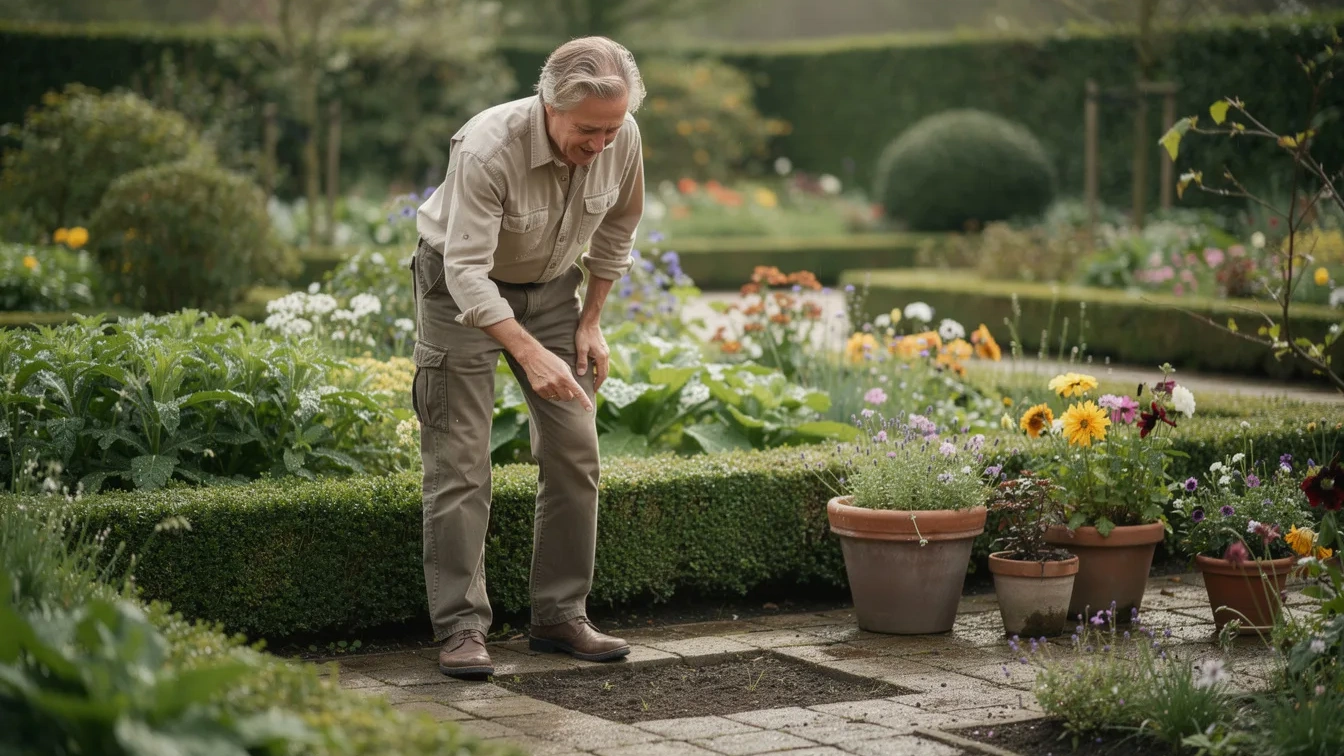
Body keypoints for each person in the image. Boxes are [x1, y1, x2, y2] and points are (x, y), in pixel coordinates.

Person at [410, 36, 645, 680]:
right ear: (550, 104)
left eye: (611, 128)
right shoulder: (487, 147)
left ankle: (560, 615)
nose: (601, 143)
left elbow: (620, 225)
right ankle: (460, 627)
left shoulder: (621, 135)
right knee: (461, 460)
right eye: (587, 130)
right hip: (458, 292)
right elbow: (465, 271)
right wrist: (527, 350)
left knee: (575, 447)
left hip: (553, 290)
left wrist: (591, 320)